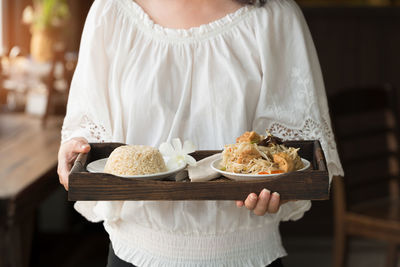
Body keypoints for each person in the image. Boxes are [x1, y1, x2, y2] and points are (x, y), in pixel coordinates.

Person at [58, 0, 344, 266]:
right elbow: (88, 126)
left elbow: (295, 150)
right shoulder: (112, 12)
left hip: (245, 255)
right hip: (135, 253)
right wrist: (74, 149)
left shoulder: (275, 16)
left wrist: (284, 189)